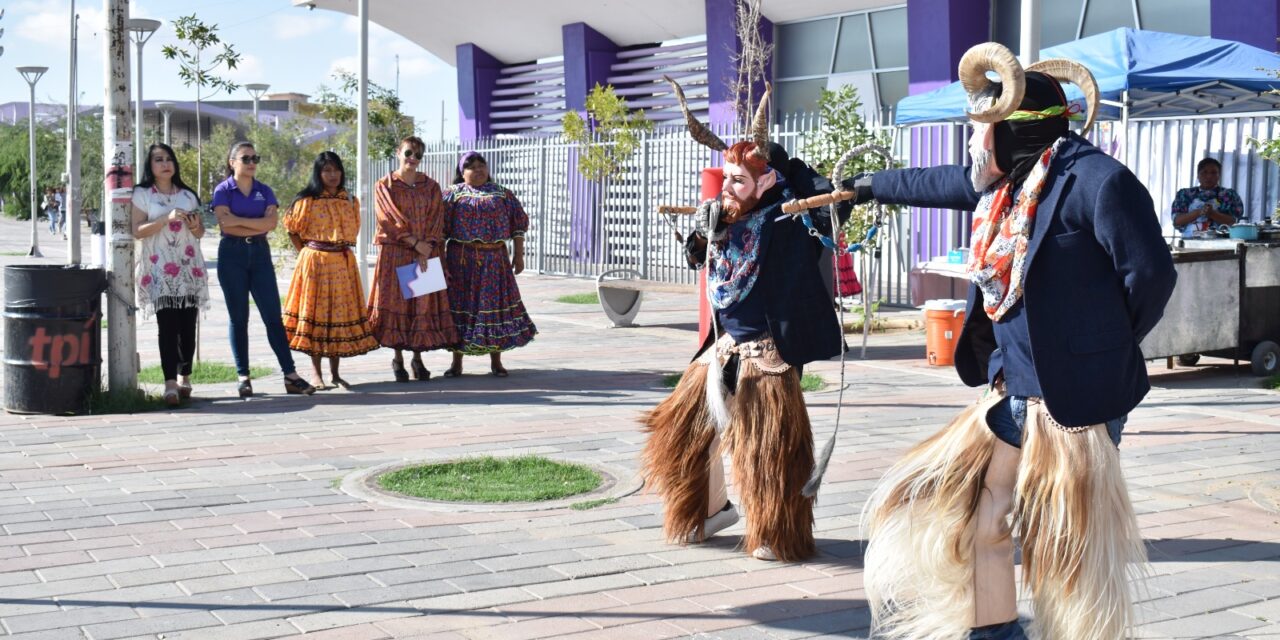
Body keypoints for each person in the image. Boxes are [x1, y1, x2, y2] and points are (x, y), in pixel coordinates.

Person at [850, 44, 1177, 640]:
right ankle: (994, 632)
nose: (974, 148)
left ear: (1015, 130)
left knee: (1066, 550)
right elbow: (936, 181)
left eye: (983, 132)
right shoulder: (1007, 186)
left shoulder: (1098, 182)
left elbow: (1151, 275)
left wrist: (1099, 348)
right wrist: (862, 186)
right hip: (1011, 394)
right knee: (979, 517)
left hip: (1075, 405)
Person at [639, 78, 852, 563]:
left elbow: (830, 204)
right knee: (681, 433)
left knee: (769, 451)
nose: (728, 188)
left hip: (770, 353)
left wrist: (793, 170)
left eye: (739, 180)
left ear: (768, 181)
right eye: (726, 178)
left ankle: (777, 532)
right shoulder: (724, 216)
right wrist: (701, 232)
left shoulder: (790, 218)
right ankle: (710, 510)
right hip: (724, 347)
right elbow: (701, 258)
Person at [212, 141, 317, 398]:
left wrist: (240, 221)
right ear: (232, 162)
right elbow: (225, 224)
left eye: (255, 158)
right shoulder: (223, 190)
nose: (251, 163)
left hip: (259, 253)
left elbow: (271, 224)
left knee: (272, 317)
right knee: (239, 318)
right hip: (231, 254)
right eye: (246, 158)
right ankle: (243, 376)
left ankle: (290, 375)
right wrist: (253, 223)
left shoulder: (264, 191)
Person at [282, 152, 379, 390]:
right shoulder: (307, 200)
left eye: (336, 170)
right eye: (327, 170)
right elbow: (292, 230)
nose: (332, 175)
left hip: (343, 264)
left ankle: (335, 373)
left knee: (337, 316)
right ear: (318, 173)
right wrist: (307, 254)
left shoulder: (349, 200)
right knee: (316, 316)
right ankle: (316, 374)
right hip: (315, 264)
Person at [367, 136, 458, 381]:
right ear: (398, 152)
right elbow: (387, 217)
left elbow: (437, 217)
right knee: (398, 305)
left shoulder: (431, 186)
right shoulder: (384, 185)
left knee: (421, 304)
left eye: (418, 155)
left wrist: (426, 245)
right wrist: (414, 242)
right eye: (408, 153)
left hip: (425, 254)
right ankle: (397, 359)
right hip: (396, 253)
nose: (413, 159)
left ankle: (418, 359)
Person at [442, 152, 537, 377]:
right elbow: (441, 231)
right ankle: (457, 363)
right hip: (461, 260)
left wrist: (520, 255)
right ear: (462, 172)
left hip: (495, 260)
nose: (478, 170)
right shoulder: (452, 195)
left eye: (481, 165)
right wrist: (442, 262)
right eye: (471, 166)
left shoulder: (502, 194)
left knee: (493, 308)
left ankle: (497, 361)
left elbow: (518, 224)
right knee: (461, 309)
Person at [131, 143, 209, 406]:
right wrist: (166, 218)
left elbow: (199, 234)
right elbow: (137, 230)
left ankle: (186, 377)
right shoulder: (142, 194)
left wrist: (196, 226)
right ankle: (170, 384)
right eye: (158, 160)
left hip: (189, 268)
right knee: (168, 327)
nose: (165, 164)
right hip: (159, 270)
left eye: (168, 159)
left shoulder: (187, 195)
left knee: (188, 327)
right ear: (150, 166)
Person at [1172, 157, 1244, 237]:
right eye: (1204, 172)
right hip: (1190, 244)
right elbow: (1177, 221)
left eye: (1213, 173)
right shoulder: (1184, 194)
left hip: (1221, 244)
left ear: (1219, 176)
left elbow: (1234, 222)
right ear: (1198, 175)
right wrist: (1198, 212)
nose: (1209, 176)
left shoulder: (1229, 195)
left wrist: (1212, 213)